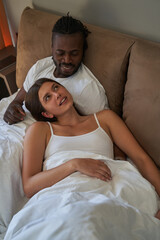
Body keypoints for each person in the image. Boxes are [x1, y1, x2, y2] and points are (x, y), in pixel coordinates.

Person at [23, 78, 160, 219]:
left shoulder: (105, 119)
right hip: (63, 196)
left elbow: (140, 158)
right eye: (48, 97)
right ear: (47, 114)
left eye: (56, 87)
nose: (56, 94)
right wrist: (74, 164)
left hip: (105, 189)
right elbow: (29, 186)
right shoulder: (40, 129)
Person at [3, 14, 124, 160]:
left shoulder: (88, 89)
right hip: (10, 131)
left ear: (83, 51)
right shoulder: (41, 66)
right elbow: (20, 96)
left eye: (74, 53)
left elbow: (109, 130)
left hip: (29, 147)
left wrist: (119, 160)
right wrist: (13, 106)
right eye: (60, 53)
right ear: (52, 48)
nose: (67, 60)